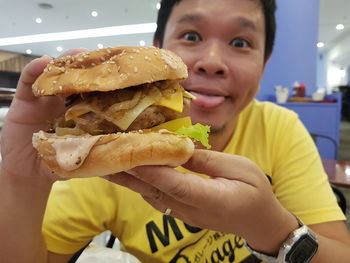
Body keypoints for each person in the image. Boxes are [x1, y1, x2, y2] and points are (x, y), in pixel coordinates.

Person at [1, 0, 350, 262]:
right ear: (159, 48)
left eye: (241, 43)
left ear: (265, 64)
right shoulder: (96, 165)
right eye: (192, 35)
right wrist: (20, 178)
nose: (212, 61)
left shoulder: (279, 127)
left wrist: (271, 228)